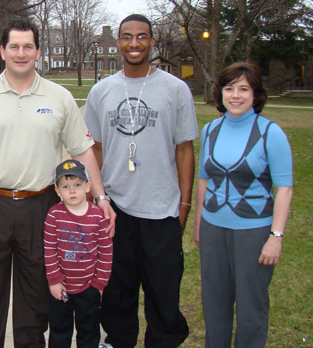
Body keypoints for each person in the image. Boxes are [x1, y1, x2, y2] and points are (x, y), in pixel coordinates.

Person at [0, 19, 116, 348]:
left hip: (41, 207)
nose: (21, 53)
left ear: (38, 51)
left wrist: (101, 197)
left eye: (28, 47)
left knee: (35, 299)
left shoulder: (59, 97)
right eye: (14, 46)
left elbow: (83, 151)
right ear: (2, 51)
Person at [83, 14, 198, 348]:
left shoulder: (176, 89)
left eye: (142, 37)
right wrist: (94, 200)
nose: (134, 43)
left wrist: (184, 205)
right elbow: (95, 150)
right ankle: (118, 341)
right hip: (116, 209)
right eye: (127, 37)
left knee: (164, 293)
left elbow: (184, 150)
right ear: (118, 42)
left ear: (152, 41)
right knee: (117, 293)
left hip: (162, 209)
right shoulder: (101, 91)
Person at [194, 62, 293, 348]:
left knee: (251, 307)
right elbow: (203, 180)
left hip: (254, 233)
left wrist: (275, 237)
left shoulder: (269, 133)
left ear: (255, 94)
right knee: (214, 304)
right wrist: (199, 223)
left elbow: (284, 188)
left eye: (243, 89)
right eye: (229, 88)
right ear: (220, 93)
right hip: (213, 229)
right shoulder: (210, 130)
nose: (235, 96)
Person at [44, 159, 113, 348]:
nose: (72, 191)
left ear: (88, 186)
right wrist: (54, 280)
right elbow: (49, 249)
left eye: (77, 185)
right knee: (59, 332)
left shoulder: (97, 216)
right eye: (65, 186)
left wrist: (99, 284)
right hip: (61, 289)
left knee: (89, 332)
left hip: (88, 287)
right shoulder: (53, 215)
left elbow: (106, 252)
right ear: (57, 191)